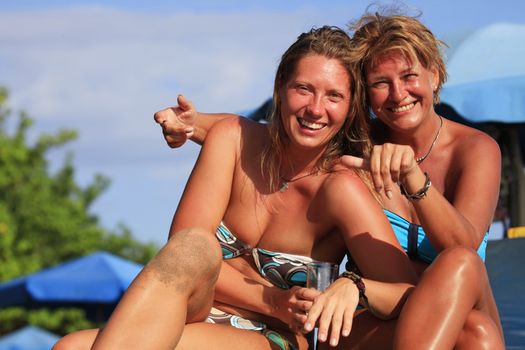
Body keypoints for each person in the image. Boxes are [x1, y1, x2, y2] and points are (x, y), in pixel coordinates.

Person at [54, 26, 418, 350]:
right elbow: (184, 256)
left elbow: (407, 295)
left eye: (334, 96)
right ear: (280, 88)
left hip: (269, 336)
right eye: (303, 89)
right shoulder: (231, 139)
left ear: (352, 106)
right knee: (193, 245)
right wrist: (274, 299)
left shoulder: (341, 189)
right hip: (195, 309)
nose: (315, 109)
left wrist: (355, 285)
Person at [155, 12, 505, 349]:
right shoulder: (359, 146)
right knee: (477, 333)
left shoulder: (475, 149)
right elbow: (281, 131)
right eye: (381, 83)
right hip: (374, 319)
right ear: (365, 96)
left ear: (436, 75)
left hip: (449, 299)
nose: (398, 94)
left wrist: (414, 179)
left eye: (409, 76)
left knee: (463, 270)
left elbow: (462, 246)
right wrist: (194, 125)